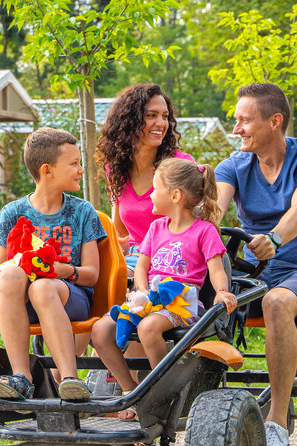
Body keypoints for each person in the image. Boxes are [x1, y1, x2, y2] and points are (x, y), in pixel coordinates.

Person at [215, 82, 297, 446]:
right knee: (188, 294)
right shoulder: (234, 166)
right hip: (251, 274)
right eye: (236, 120)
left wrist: (274, 237)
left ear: (275, 121)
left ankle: (276, 422)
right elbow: (214, 210)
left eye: (245, 120)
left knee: (275, 303)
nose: (236, 128)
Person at [92, 158, 238, 418]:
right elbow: (142, 266)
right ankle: (131, 391)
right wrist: (142, 290)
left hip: (181, 301)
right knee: (101, 330)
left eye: (155, 189)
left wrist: (222, 291)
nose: (150, 196)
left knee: (148, 328)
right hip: (151, 297)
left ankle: (162, 392)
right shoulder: (156, 228)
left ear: (175, 195)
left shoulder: (204, 231)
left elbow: (216, 269)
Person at [0, 128, 106, 401]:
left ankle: (69, 378)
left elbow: (92, 275)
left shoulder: (81, 211)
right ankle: (21, 376)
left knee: (42, 289)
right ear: (47, 170)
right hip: (24, 304)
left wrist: (63, 271)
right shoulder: (13, 213)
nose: (80, 170)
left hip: (70, 296)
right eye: (74, 164)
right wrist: (23, 265)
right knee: (8, 276)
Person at [96, 83, 196, 268]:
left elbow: (197, 225)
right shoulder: (116, 168)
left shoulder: (180, 165)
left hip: (172, 258)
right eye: (151, 115)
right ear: (129, 121)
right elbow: (120, 230)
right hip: (134, 258)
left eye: (165, 116)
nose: (161, 123)